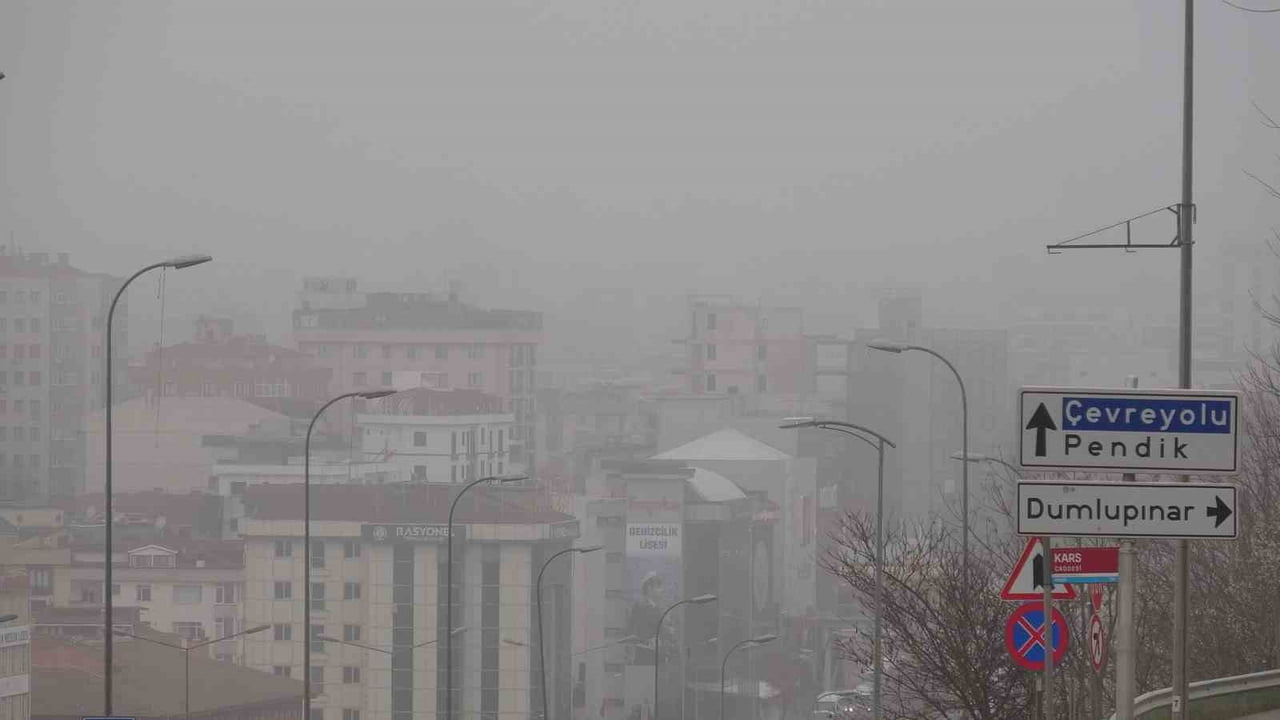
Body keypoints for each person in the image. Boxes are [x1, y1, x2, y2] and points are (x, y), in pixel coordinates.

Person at [626, 572, 674, 665]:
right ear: (649, 588)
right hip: (644, 654)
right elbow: (632, 630)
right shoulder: (639, 606)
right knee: (644, 674)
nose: (662, 590)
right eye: (658, 587)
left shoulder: (660, 607)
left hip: (659, 655)